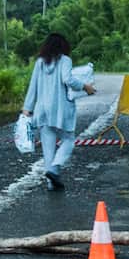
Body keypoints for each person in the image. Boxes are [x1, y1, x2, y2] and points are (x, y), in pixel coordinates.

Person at [22, 32, 95, 192]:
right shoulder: (65, 60)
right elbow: (67, 79)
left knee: (48, 149)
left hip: (42, 111)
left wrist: (27, 108)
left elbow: (32, 86)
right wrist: (85, 86)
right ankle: (55, 169)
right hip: (60, 110)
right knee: (68, 140)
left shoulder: (40, 62)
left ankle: (51, 183)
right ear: (63, 46)